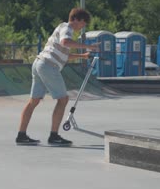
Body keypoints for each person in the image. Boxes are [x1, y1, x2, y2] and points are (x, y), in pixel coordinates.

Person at [16, 8, 99, 146]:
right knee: (63, 99)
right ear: (77, 20)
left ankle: (21, 135)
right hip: (48, 66)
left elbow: (64, 55)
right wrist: (87, 47)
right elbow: (65, 42)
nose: (83, 27)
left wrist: (82, 56)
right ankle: (54, 136)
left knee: (33, 101)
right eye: (83, 24)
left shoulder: (61, 28)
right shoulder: (67, 28)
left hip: (39, 63)